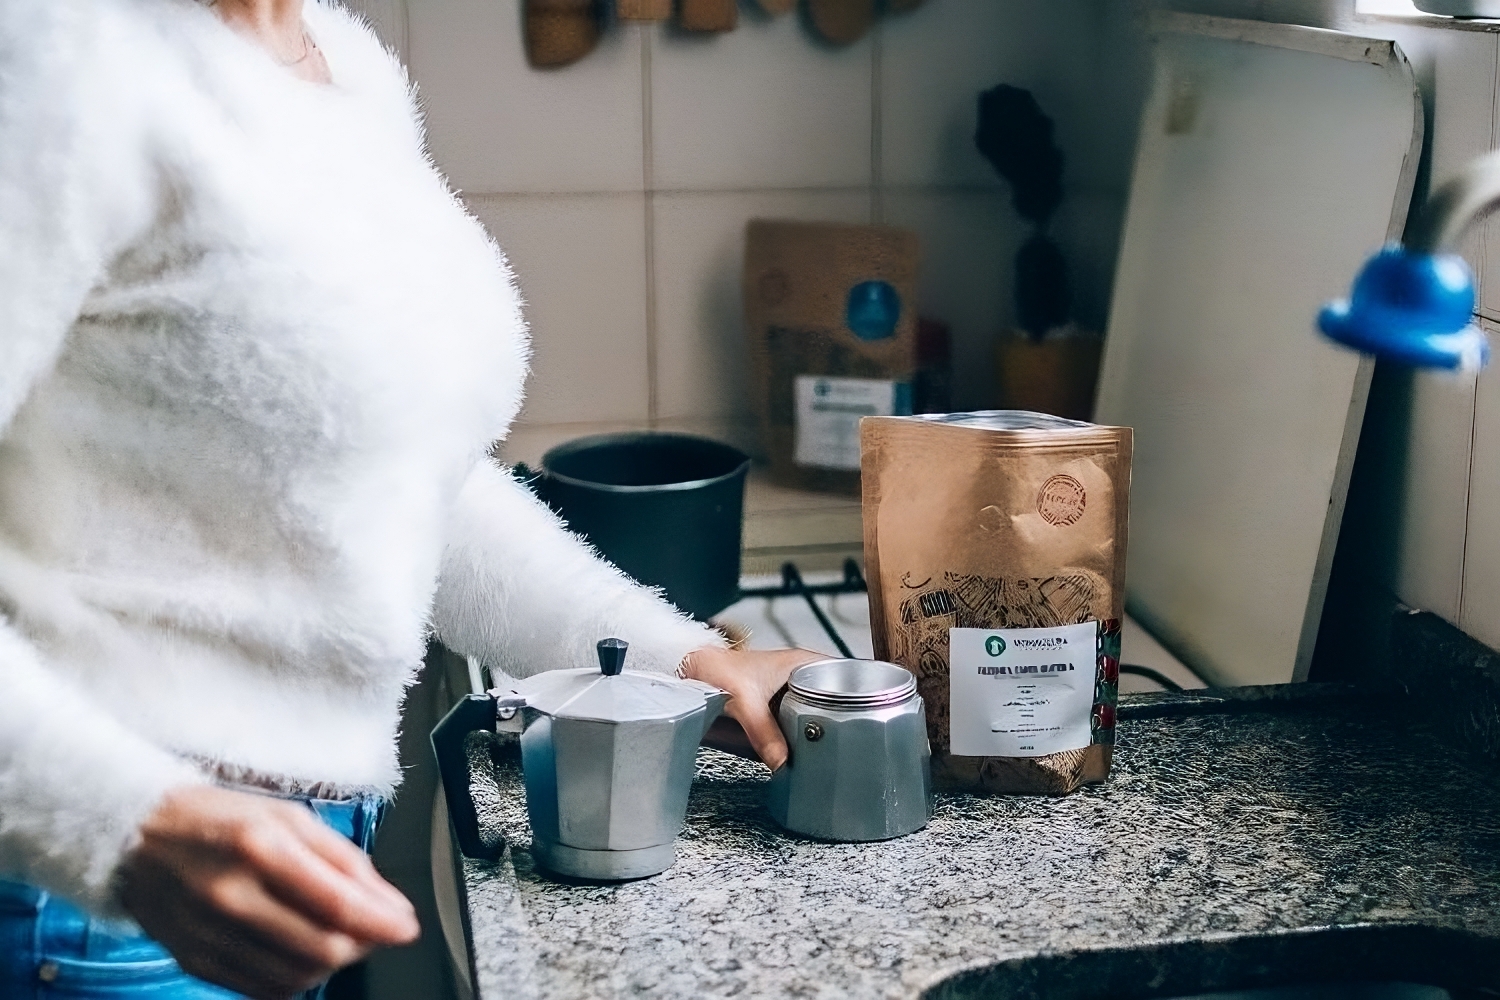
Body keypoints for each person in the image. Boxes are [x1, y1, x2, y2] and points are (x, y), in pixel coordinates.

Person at [0, 1, 822, 997]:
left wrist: (674, 661)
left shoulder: (339, 64)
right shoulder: (57, 57)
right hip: (103, 897)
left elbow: (405, 480)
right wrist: (128, 822)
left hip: (292, 868)